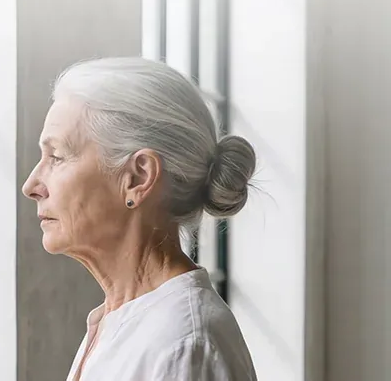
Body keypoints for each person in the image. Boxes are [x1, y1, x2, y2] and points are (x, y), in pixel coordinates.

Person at [22, 56, 258, 381]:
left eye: (57, 157)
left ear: (137, 177)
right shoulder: (122, 322)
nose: (31, 186)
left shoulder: (183, 345)